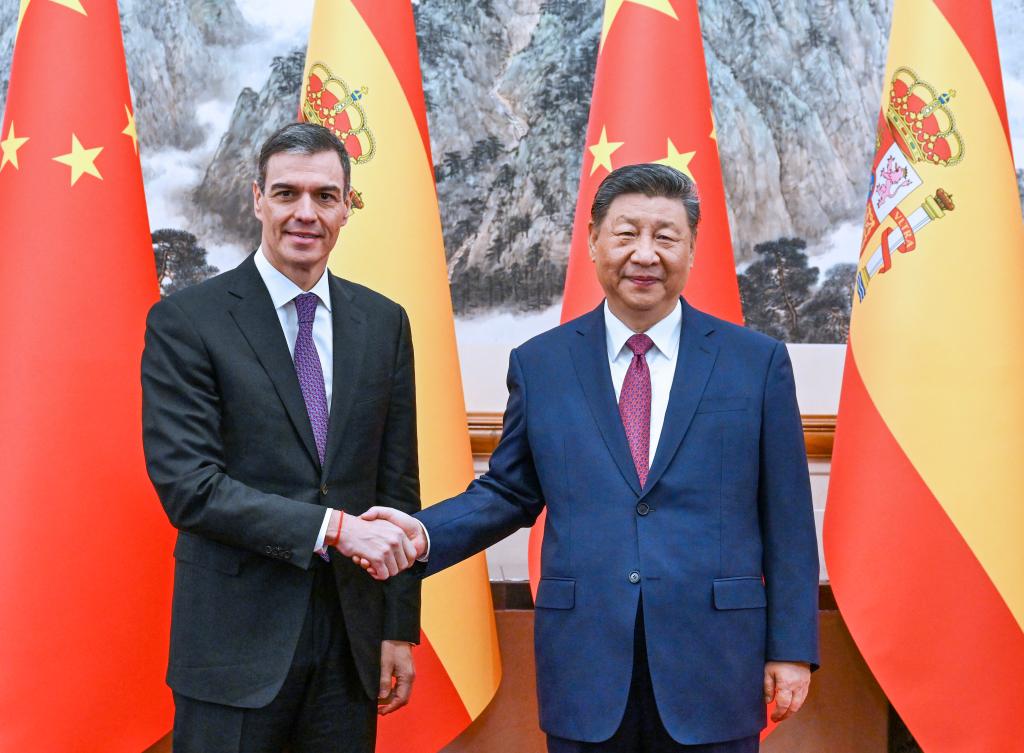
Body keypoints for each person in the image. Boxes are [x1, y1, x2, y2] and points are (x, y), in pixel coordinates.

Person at [366, 164, 820, 752]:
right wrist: (423, 534)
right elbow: (509, 492)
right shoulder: (542, 363)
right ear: (592, 241)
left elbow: (787, 518)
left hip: (716, 660)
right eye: (626, 234)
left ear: (691, 248)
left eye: (665, 236)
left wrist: (790, 648)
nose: (645, 254)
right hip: (586, 661)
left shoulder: (755, 363)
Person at [141, 122, 422, 753]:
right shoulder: (187, 321)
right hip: (233, 649)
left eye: (325, 196)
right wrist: (334, 528)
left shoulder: (384, 323)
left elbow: (398, 487)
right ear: (257, 199)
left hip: (350, 646)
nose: (305, 213)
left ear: (347, 207)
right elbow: (190, 488)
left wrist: (397, 626)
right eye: (287, 193)